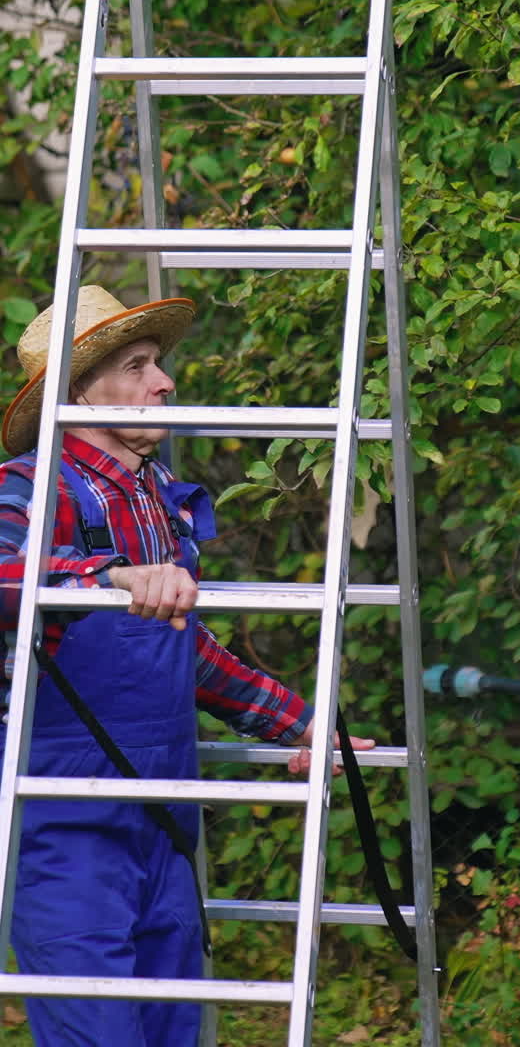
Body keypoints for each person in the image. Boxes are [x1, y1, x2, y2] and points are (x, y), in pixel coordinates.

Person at [0, 285, 374, 1047]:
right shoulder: (30, 487)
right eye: (136, 367)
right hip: (65, 821)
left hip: (163, 817)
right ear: (77, 393)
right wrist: (105, 580)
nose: (163, 382)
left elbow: (184, 650)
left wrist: (298, 724)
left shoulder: (157, 497)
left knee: (176, 1030)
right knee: (96, 1034)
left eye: (158, 364)